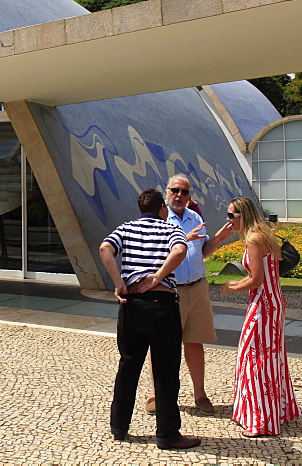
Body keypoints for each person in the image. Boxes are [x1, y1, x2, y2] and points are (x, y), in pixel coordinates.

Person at [99, 188, 202, 450]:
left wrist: (119, 283)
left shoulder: (126, 228)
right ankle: (167, 434)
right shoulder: (170, 229)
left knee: (128, 365)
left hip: (131, 305)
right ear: (161, 209)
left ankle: (119, 426)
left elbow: (105, 249)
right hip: (162, 305)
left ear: (140, 209)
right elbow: (179, 251)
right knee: (166, 370)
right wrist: (158, 276)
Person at [144, 174, 233, 416]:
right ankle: (156, 394)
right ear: (166, 193)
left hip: (197, 288)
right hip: (170, 291)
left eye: (184, 192)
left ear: (189, 196)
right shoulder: (160, 218)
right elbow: (157, 251)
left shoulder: (194, 217)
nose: (179, 195)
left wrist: (218, 240)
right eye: (175, 190)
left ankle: (200, 395)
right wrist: (186, 238)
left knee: (195, 342)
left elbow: (201, 253)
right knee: (162, 345)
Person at [219, 197, 300, 437]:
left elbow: (256, 279)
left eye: (231, 215)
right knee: (271, 358)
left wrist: (231, 287)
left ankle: (261, 420)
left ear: (243, 215)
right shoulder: (263, 234)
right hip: (273, 302)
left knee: (255, 359)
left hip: (264, 304)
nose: (228, 219)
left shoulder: (254, 239)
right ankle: (278, 410)